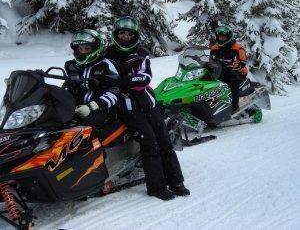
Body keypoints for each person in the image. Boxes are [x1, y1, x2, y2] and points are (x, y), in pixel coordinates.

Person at [105, 16, 190, 201]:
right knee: (149, 143)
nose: (125, 37)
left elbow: (144, 78)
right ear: (116, 34)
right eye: (122, 33)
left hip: (148, 103)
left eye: (129, 34)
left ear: (134, 35)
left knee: (165, 141)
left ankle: (177, 181)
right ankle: (157, 187)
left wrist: (124, 81)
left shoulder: (140, 53)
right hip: (127, 107)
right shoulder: (107, 55)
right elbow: (108, 80)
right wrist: (124, 82)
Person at [65, 29, 120, 127]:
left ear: (96, 48)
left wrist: (92, 106)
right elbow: (67, 87)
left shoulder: (106, 66)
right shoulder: (72, 65)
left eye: (87, 48)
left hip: (103, 109)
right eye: (80, 49)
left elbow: (114, 92)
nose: (83, 52)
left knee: (82, 127)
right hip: (78, 107)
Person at [210, 26, 248, 113]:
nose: (221, 38)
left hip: (238, 72)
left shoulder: (238, 48)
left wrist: (235, 65)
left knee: (232, 78)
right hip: (220, 71)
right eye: (220, 36)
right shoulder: (214, 48)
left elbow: (242, 63)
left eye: (224, 37)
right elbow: (210, 60)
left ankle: (234, 107)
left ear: (228, 37)